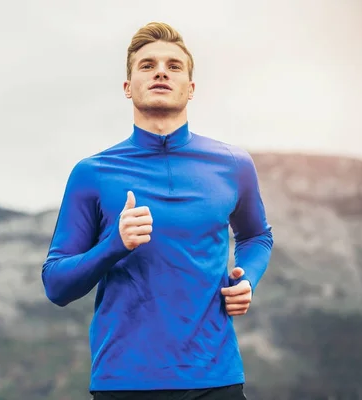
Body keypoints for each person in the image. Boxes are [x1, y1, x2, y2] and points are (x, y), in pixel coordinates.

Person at [41, 21, 273, 400]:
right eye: (147, 65)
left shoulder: (233, 165)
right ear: (128, 87)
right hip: (125, 383)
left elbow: (256, 235)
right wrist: (114, 244)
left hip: (216, 380)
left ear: (191, 88)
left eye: (174, 66)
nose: (161, 71)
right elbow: (56, 285)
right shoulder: (92, 173)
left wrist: (246, 277)